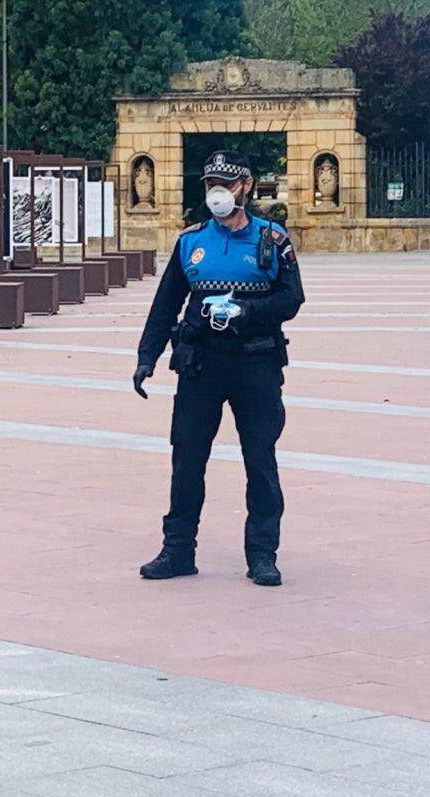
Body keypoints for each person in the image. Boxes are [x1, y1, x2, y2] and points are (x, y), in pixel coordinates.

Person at [134, 150, 305, 587]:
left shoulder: (272, 238)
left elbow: (291, 299)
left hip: (255, 361)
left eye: (225, 185)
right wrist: (146, 357)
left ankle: (262, 554)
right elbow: (166, 303)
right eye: (211, 184)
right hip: (201, 363)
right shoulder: (191, 240)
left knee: (260, 460)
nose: (217, 193)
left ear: (245, 186)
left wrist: (246, 312)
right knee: (187, 457)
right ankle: (177, 551)